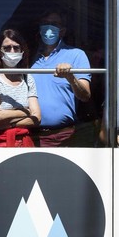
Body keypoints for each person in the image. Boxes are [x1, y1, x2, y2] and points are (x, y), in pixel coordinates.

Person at [31, 9, 91, 147]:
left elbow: (85, 95)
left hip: (64, 136)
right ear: (39, 29)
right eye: (45, 23)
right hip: (33, 136)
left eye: (54, 24)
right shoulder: (29, 57)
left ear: (62, 30)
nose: (49, 27)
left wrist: (70, 77)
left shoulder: (76, 55)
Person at [0, 29, 41, 147]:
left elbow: (37, 118)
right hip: (0, 143)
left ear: (22, 51)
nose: (12, 51)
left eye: (16, 47)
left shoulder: (28, 78)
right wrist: (25, 111)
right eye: (7, 48)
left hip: (25, 143)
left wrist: (8, 123)